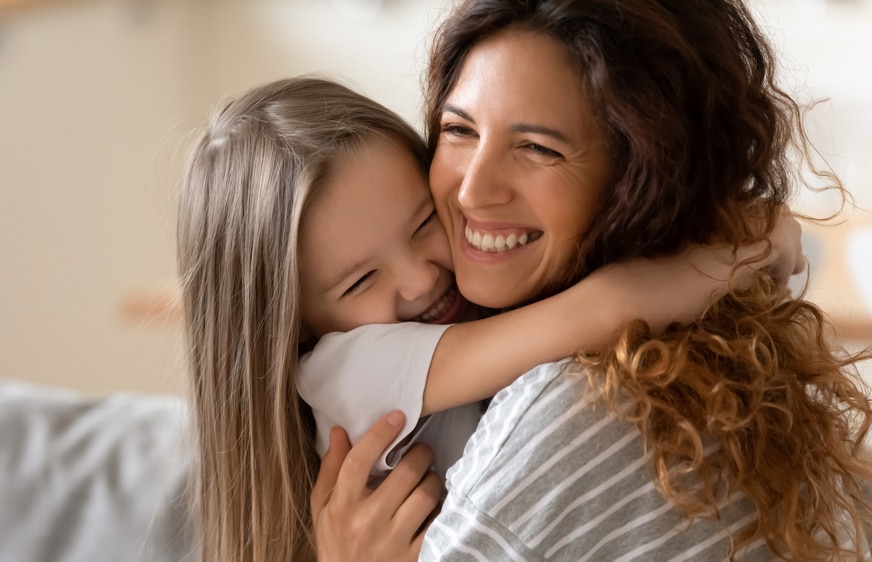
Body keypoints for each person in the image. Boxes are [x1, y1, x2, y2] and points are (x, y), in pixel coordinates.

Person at [312, 0, 872, 560]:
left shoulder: (568, 413)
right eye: (459, 129)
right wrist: (752, 241)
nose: (471, 192)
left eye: (537, 147)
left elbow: (605, 307)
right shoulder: (717, 352)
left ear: (642, 179)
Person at [177, 77, 800, 562]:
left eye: (424, 223)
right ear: (295, 326)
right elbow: (603, 309)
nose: (421, 278)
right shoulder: (347, 370)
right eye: (361, 280)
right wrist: (762, 241)